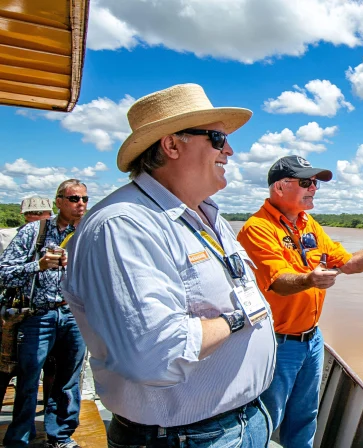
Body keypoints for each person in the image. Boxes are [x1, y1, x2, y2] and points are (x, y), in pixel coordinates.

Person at [61, 83, 277, 448]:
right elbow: (155, 354)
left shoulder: (207, 216)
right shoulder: (124, 225)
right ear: (172, 145)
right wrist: (238, 318)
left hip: (240, 421)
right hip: (183, 437)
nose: (230, 149)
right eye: (217, 137)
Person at [237, 155, 363, 448]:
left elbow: (349, 264)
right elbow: (278, 282)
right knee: (266, 420)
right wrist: (309, 279)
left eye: (316, 183)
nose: (314, 188)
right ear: (280, 188)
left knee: (305, 418)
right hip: (276, 342)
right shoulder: (258, 229)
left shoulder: (309, 225)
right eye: (306, 182)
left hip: (311, 341)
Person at [0, 180, 88, 448]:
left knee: (67, 381)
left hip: (74, 315)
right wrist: (37, 266)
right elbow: (3, 272)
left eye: (85, 198)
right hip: (38, 316)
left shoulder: (88, 234)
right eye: (74, 199)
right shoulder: (33, 232)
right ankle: (19, 440)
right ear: (58, 201)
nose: (81, 204)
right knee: (28, 381)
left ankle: (60, 436)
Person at [0, 195, 57, 422]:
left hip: (46, 313)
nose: (35, 219)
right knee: (7, 369)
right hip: (14, 314)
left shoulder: (60, 236)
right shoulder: (9, 238)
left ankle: (48, 419)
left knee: (50, 367)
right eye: (31, 215)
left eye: (40, 215)